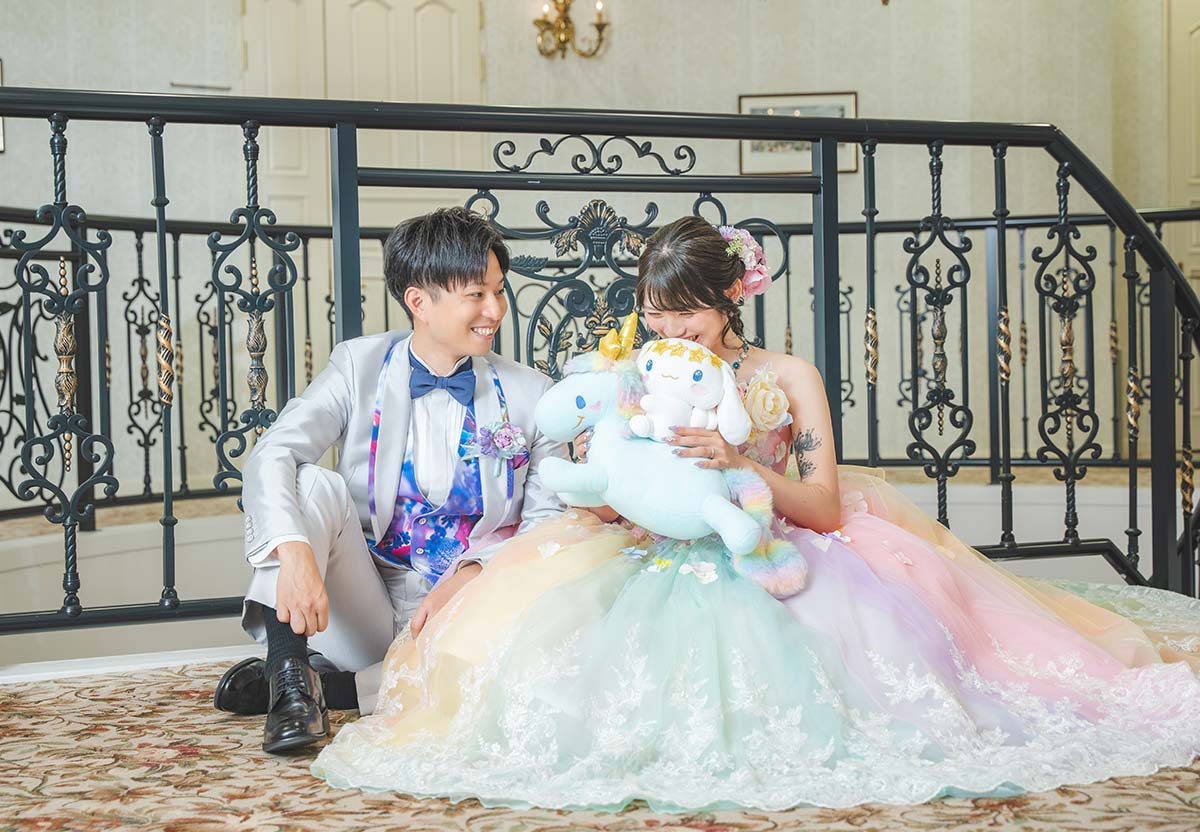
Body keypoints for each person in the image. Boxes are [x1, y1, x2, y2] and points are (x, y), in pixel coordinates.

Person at [311, 216, 1200, 810]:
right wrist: (617, 476)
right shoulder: (640, 372)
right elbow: (612, 487)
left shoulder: (785, 379)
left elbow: (824, 505)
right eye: (653, 317)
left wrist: (739, 465)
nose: (668, 335)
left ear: (730, 299)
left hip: (772, 538)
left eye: (685, 318)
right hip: (648, 549)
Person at [213, 207, 566, 753]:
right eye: (476, 294)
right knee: (313, 484)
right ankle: (290, 677)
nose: (495, 310)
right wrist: (295, 552)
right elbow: (273, 452)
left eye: (499, 291)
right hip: (368, 605)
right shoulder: (359, 366)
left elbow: (547, 526)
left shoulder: (531, 393)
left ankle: (337, 687)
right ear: (418, 301)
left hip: (472, 610)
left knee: (532, 664)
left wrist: (474, 572)